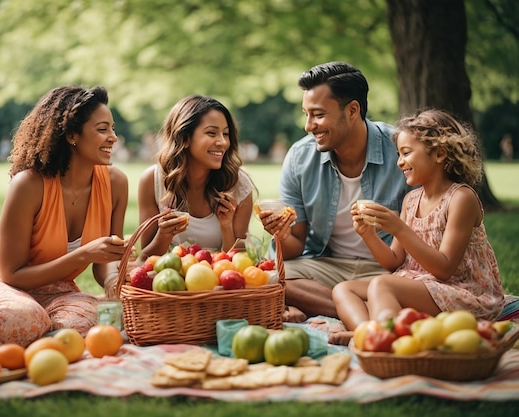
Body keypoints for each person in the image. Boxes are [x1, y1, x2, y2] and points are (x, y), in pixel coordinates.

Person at [0, 86, 129, 347]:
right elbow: (12, 274)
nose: (114, 137)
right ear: (72, 134)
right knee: (23, 318)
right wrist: (85, 253)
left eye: (112, 128)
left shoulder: (116, 183)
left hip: (51, 289)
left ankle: (8, 326)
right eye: (102, 129)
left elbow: (105, 261)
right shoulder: (29, 184)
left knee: (94, 320)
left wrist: (112, 280)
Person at [331, 109, 505, 344]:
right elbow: (393, 261)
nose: (400, 162)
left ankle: (387, 337)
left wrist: (399, 228)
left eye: (406, 153)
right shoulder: (411, 200)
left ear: (440, 153)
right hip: (422, 286)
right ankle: (369, 334)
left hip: (462, 291)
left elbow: (444, 269)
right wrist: (369, 234)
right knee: (343, 289)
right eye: (399, 154)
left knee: (383, 284)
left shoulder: (461, 198)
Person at [258, 62, 409, 322]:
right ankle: (373, 311)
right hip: (327, 265)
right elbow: (294, 248)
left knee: (422, 287)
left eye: (317, 115)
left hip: (391, 270)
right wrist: (280, 234)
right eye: (306, 114)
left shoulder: (402, 151)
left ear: (352, 110)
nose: (308, 125)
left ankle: (352, 307)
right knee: (267, 277)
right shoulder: (299, 158)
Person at [137, 94, 255, 260]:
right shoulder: (153, 180)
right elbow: (145, 259)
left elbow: (241, 262)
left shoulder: (238, 184)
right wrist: (164, 236)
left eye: (226, 134)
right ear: (184, 138)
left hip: (221, 281)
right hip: (171, 280)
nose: (222, 142)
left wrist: (226, 226)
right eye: (212, 133)